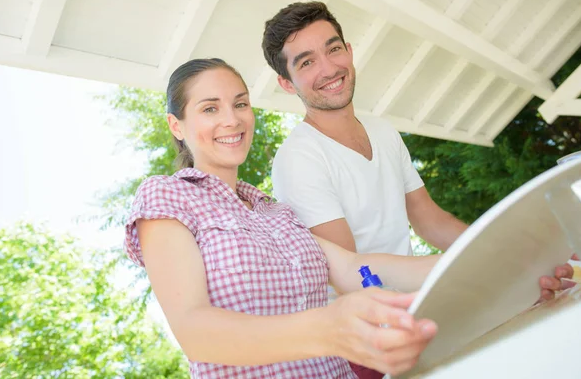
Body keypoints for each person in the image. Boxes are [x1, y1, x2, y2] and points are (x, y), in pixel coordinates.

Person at [262, 1, 575, 379]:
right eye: (306, 62)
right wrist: (481, 275)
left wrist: (506, 257)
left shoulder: (382, 129)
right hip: (371, 342)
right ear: (285, 83)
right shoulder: (298, 158)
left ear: (349, 51)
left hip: (418, 306)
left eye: (333, 48)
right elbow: (352, 275)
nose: (329, 68)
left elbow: (430, 219)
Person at [124, 58, 441, 379]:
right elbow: (195, 332)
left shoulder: (277, 213)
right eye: (210, 109)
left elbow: (351, 268)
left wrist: (465, 257)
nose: (232, 119)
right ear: (176, 125)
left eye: (240, 104)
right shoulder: (168, 196)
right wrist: (328, 328)